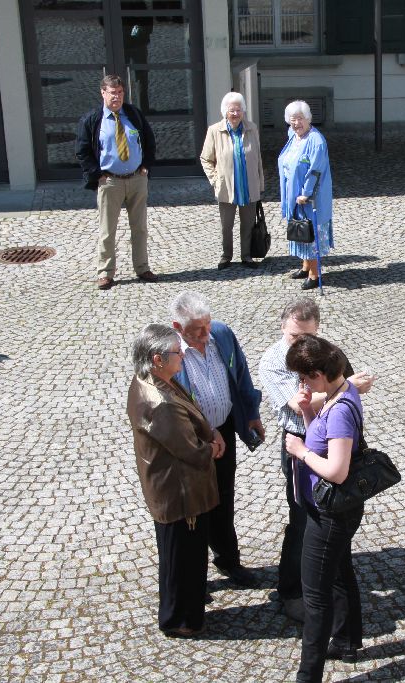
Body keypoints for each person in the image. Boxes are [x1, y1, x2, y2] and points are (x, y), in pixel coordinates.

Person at [258, 299, 375, 622]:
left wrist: (347, 388)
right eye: (295, 336)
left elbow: (339, 384)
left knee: (334, 515)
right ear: (282, 327)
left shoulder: (323, 351)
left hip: (331, 438)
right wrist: (347, 388)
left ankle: (330, 582)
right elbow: (300, 405)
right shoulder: (272, 361)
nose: (301, 342)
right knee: (302, 520)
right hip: (300, 443)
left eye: (308, 336)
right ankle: (291, 590)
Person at [126, 323, 224, 638]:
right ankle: (180, 620)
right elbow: (191, 451)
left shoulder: (151, 380)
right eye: (176, 352)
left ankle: (182, 611)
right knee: (183, 559)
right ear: (157, 359)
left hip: (172, 488)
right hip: (181, 494)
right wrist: (213, 447)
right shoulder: (161, 402)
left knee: (179, 556)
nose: (183, 355)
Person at [284, 335, 366, 681]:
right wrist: (307, 412)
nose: (303, 384)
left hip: (330, 515)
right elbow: (321, 438)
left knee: (316, 597)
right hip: (330, 509)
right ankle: (346, 639)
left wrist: (301, 452)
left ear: (319, 373)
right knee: (340, 572)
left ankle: (308, 676)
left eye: (305, 378)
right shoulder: (338, 392)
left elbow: (337, 470)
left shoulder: (341, 409)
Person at [169, 291, 264, 588]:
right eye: (197, 329)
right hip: (191, 441)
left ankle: (228, 560)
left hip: (224, 431)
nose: (205, 333)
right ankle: (193, 579)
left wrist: (251, 413)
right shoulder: (168, 351)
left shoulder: (221, 334)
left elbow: (241, 374)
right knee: (193, 508)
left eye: (207, 324)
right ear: (177, 327)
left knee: (224, 498)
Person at [76, 74, 157, 290]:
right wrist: (97, 174)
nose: (117, 97)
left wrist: (145, 167)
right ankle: (105, 273)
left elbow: (149, 141)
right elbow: (82, 151)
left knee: (139, 227)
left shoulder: (133, 114)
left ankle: (142, 267)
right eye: (113, 93)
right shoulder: (93, 120)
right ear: (103, 93)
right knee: (107, 230)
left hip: (137, 179)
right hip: (110, 181)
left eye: (120, 92)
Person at [200, 91, 265, 270]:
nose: (235, 114)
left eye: (238, 110)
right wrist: (215, 180)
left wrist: (260, 182)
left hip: (248, 185)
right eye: (232, 110)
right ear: (225, 112)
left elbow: (258, 158)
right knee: (226, 226)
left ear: (243, 111)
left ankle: (246, 256)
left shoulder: (252, 128)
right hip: (226, 187)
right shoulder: (215, 130)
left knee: (248, 224)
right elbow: (205, 159)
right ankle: (226, 255)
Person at [278, 100, 333, 290]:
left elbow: (316, 170)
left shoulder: (316, 141)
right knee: (301, 230)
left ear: (308, 118)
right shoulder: (293, 135)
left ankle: (314, 274)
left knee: (312, 233)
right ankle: (305, 266)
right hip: (293, 193)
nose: (296, 123)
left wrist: (306, 193)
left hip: (309, 196)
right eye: (293, 119)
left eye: (300, 119)